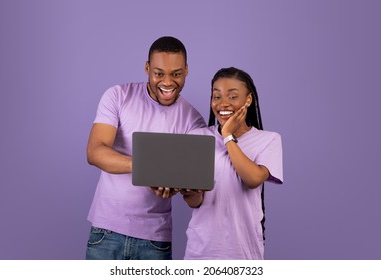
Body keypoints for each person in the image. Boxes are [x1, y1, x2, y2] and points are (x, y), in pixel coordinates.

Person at [85, 36, 206, 260]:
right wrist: (146, 167)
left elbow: (192, 188)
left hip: (155, 240)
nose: (168, 82)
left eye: (176, 74)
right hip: (105, 232)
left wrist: (176, 185)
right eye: (159, 73)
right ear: (147, 68)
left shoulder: (194, 121)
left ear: (187, 70)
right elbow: (95, 152)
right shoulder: (118, 96)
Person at [181, 67, 283, 260]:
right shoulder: (197, 137)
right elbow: (195, 202)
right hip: (200, 252)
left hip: (244, 253)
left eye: (233, 96)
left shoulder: (269, 140)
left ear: (248, 100)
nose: (223, 103)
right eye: (216, 96)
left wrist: (227, 135)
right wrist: (189, 191)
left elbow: (253, 179)